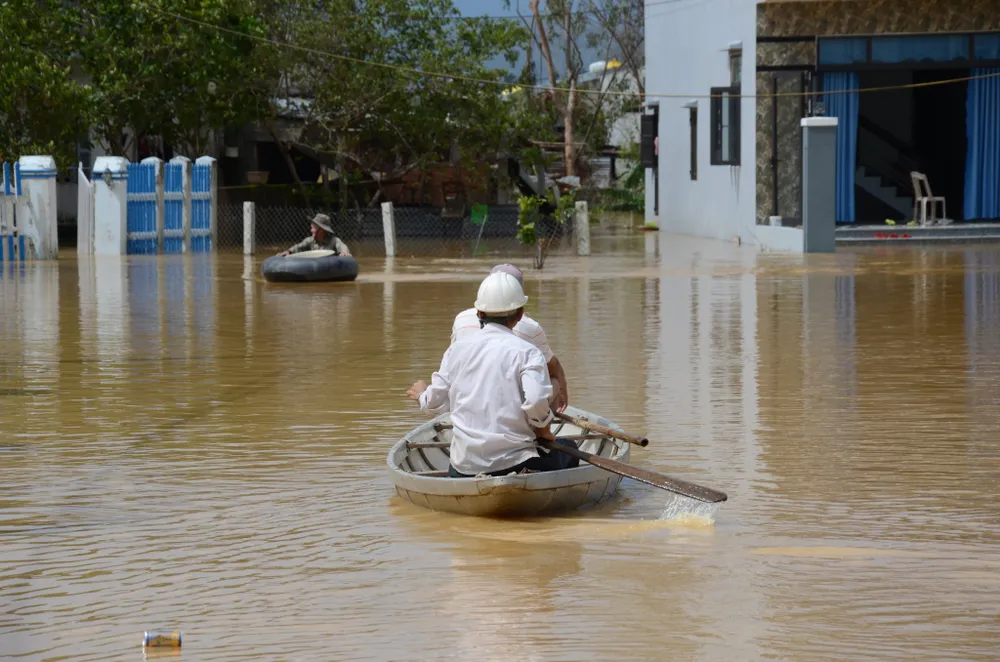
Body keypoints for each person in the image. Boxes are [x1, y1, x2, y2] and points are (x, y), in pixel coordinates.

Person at [407, 271, 580, 478]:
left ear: (479, 313)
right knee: (569, 448)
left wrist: (421, 394)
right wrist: (543, 432)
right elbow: (535, 402)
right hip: (517, 462)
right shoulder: (528, 352)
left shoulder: (456, 350)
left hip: (464, 468)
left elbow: (435, 404)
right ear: (520, 315)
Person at [450, 263, 569, 412]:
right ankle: (544, 431)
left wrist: (424, 396)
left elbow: (444, 384)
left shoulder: (461, 320)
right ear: (519, 313)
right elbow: (553, 367)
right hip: (513, 411)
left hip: (466, 403)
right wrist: (562, 388)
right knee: (552, 381)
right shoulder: (530, 329)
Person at [278, 213, 351, 257]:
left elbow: (342, 246)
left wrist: (344, 253)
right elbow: (299, 247)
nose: (311, 230)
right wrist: (289, 251)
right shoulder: (309, 240)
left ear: (321, 230)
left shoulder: (334, 240)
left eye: (313, 228)